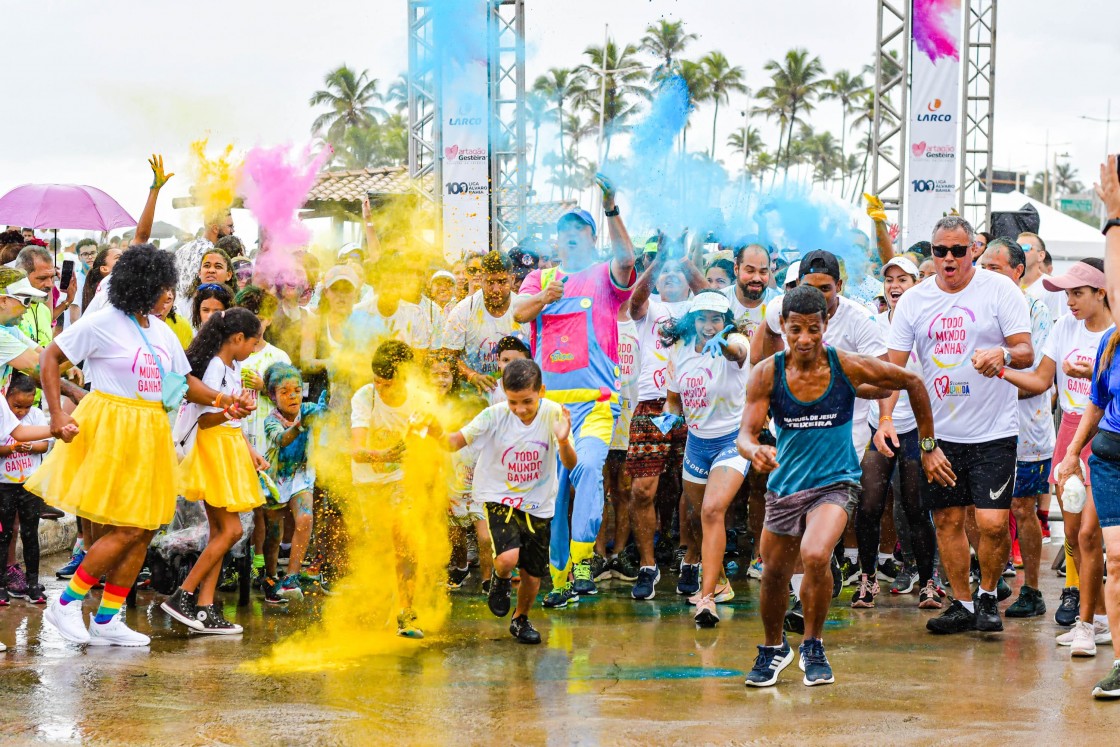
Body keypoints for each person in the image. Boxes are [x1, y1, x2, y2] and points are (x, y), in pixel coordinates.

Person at [30, 246, 252, 646]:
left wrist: (223, 401)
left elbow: (185, 383)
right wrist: (56, 414)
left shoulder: (162, 330)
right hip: (112, 427)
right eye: (163, 288)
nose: (169, 295)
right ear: (142, 284)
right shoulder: (101, 323)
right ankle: (65, 603)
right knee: (127, 526)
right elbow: (50, 357)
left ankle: (108, 618)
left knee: (146, 528)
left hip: (151, 431)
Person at [739, 284, 954, 687]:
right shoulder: (767, 373)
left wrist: (927, 446)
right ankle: (773, 648)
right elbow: (745, 434)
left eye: (814, 329)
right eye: (796, 330)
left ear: (827, 324)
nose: (805, 339)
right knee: (773, 574)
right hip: (785, 487)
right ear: (783, 326)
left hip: (834, 484)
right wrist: (754, 451)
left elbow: (912, 382)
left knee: (816, 553)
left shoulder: (846, 365)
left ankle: (813, 644)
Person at [884, 215, 1033, 635]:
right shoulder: (914, 300)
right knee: (947, 521)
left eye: (957, 250)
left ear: (974, 251)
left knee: (991, 523)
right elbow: (894, 370)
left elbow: (1026, 351)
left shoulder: (1000, 290)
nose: (949, 259)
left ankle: (988, 594)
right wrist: (883, 419)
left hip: (994, 431)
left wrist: (1002, 355)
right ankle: (963, 604)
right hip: (939, 434)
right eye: (939, 251)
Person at [512, 175, 636, 605]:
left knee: (587, 470)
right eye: (563, 233)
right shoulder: (539, 280)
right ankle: (561, 583)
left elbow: (626, 259)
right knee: (554, 493)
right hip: (549, 410)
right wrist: (546, 295)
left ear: (590, 237)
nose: (570, 239)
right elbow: (518, 314)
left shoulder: (604, 276)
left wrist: (611, 207)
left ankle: (584, 561)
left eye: (578, 232)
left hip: (597, 406)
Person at [1000, 258, 1113, 649]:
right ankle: (1094, 618)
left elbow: (1103, 395)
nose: (1070, 302)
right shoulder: (1065, 327)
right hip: (1069, 431)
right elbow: (1040, 380)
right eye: (1067, 294)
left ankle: (1095, 619)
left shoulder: (1115, 335)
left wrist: (1091, 376)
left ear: (1103, 292)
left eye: (1078, 293)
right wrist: (1001, 371)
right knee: (1079, 537)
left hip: (1107, 433)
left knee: (1095, 533)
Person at [446, 359, 576, 644]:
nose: (519, 409)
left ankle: (521, 619)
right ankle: (500, 579)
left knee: (531, 574)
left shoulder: (555, 414)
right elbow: (456, 441)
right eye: (513, 401)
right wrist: (432, 432)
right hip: (498, 497)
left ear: (540, 391)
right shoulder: (494, 415)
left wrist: (564, 441)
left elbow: (569, 463)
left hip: (539, 504)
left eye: (527, 401)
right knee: (507, 558)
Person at [162, 308, 268, 635]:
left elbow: (232, 418)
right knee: (231, 531)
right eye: (254, 341)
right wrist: (230, 411)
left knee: (223, 534)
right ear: (237, 339)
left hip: (229, 448)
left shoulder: (231, 367)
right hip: (213, 450)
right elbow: (205, 418)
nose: (255, 348)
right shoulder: (213, 368)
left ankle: (206, 608)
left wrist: (250, 451)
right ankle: (184, 595)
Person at [1059, 153, 1120, 697]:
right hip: (1106, 450)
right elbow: (1095, 403)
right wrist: (1074, 450)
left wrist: (1114, 217)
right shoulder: (1107, 343)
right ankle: (1097, 632)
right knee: (1097, 545)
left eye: (1081, 291)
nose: (1072, 301)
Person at [657, 291, 751, 625]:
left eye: (716, 319)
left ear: (726, 321)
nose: (708, 326)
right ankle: (721, 583)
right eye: (702, 319)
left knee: (712, 511)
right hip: (697, 443)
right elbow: (673, 399)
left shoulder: (737, 340)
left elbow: (738, 353)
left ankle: (707, 599)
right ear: (691, 322)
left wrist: (724, 345)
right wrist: (668, 417)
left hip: (732, 440)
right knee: (698, 518)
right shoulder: (680, 352)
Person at [855, 256, 943, 608]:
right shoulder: (873, 325)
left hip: (916, 428)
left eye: (903, 279)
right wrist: (881, 418)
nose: (894, 285)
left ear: (916, 284)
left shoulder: (927, 323)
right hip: (880, 424)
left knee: (916, 506)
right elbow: (877, 377)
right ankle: (867, 578)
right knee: (869, 505)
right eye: (889, 279)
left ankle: (928, 583)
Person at [978, 238, 1054, 619]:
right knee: (981, 510)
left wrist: (993, 378)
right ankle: (993, 580)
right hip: (984, 426)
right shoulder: (978, 305)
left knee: (1023, 509)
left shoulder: (1036, 310)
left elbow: (1036, 375)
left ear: (1018, 271)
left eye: (995, 267)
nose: (985, 273)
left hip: (1028, 429)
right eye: (983, 266)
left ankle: (1034, 591)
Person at [625, 250, 705, 599]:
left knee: (694, 490)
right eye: (664, 273)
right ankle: (647, 564)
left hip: (694, 406)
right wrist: (654, 263)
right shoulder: (651, 309)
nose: (670, 275)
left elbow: (710, 296)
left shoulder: (700, 308)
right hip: (653, 406)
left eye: (677, 272)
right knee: (643, 489)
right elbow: (635, 301)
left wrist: (686, 261)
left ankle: (691, 559)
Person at [350, 341, 430, 638]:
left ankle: (406, 612)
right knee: (381, 548)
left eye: (386, 383)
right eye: (376, 382)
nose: (379, 388)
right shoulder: (364, 397)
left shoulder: (420, 400)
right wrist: (384, 456)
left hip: (401, 482)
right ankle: (380, 606)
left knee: (405, 540)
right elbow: (356, 451)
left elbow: (423, 444)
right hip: (368, 484)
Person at [260, 363, 326, 602]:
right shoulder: (271, 420)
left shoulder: (308, 410)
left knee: (305, 517)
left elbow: (326, 415)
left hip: (301, 476)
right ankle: (269, 576)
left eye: (297, 390)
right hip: (276, 480)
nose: (292, 396)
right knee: (274, 534)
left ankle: (291, 577)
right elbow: (281, 440)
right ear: (272, 395)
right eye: (285, 391)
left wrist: (328, 406)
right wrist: (300, 426)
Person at [443, 250, 525, 397]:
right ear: (481, 280)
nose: (495, 289)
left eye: (502, 282)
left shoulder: (524, 308)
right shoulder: (463, 310)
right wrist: (472, 375)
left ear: (512, 279)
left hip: (516, 396)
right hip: (474, 398)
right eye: (490, 282)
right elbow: (448, 356)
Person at [0, 373, 52, 607]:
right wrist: (11, 448)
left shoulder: (37, 415)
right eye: (16, 406)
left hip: (29, 483)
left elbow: (44, 445)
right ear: (6, 397)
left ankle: (33, 583)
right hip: (4, 485)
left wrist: (28, 445)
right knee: (4, 535)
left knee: (30, 533)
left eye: (26, 406)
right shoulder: (2, 415)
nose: (21, 412)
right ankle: (1, 585)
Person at [175, 211, 234, 302]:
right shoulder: (213, 254)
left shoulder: (182, 249)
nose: (233, 231)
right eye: (230, 226)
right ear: (215, 229)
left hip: (177, 311)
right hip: (199, 310)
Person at [1019, 232, 1066, 323]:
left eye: (1025, 248)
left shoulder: (1052, 286)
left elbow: (1058, 324)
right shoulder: (1008, 284)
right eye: (1016, 248)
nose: (1019, 252)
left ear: (1041, 256)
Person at [178, 247, 235, 321]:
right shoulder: (183, 306)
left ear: (229, 275)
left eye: (218, 267)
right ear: (199, 272)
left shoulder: (236, 308)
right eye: (207, 266)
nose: (211, 270)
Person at [489, 334, 531, 405]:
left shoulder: (533, 388)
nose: (511, 366)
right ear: (498, 361)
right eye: (506, 360)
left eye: (518, 361)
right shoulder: (492, 389)